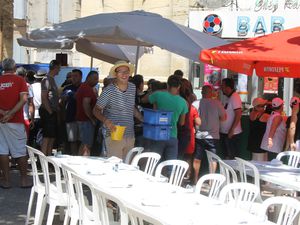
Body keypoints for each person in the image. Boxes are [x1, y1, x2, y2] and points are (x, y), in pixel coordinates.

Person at [93, 61, 143, 160]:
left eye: (126, 71)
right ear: (115, 74)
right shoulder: (109, 90)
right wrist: (106, 121)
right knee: (114, 167)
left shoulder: (132, 87)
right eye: (120, 71)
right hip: (114, 135)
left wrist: (142, 118)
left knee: (127, 168)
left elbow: (131, 106)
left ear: (130, 73)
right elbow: (96, 110)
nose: (124, 74)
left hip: (130, 134)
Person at [0, 58, 30, 188]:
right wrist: (11, 113)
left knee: (3, 151)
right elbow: (23, 99)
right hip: (16, 121)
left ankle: (6, 181)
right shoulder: (20, 80)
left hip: (1, 120)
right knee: (20, 150)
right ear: (14, 67)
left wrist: (3, 113)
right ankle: (23, 180)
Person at [148, 75, 188, 160]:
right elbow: (182, 123)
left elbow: (145, 100)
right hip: (173, 135)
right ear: (179, 87)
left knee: (153, 162)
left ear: (167, 85)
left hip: (158, 134)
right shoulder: (183, 102)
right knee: (171, 164)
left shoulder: (158, 95)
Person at [192, 85, 226, 184]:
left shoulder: (195, 103)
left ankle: (195, 179)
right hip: (213, 136)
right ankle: (211, 181)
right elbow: (224, 118)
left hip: (199, 135)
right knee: (213, 159)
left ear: (202, 92)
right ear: (211, 93)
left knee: (197, 158)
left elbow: (191, 118)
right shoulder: (217, 103)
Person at [40, 60, 61, 155]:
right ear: (55, 68)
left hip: (52, 111)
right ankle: (43, 160)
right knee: (47, 137)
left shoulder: (51, 79)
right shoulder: (46, 79)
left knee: (52, 137)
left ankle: (48, 158)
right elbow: (44, 97)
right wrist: (50, 112)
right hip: (48, 111)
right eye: (59, 68)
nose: (59, 70)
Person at [76, 71, 98, 156]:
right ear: (88, 78)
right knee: (86, 145)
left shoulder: (84, 87)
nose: (96, 81)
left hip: (83, 120)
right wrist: (92, 118)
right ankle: (83, 164)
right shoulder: (86, 88)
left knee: (84, 144)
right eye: (95, 78)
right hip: (86, 120)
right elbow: (86, 104)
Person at [219, 78, 242, 159]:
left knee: (232, 157)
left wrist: (232, 129)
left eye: (222, 86)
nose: (221, 88)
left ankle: (234, 172)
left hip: (232, 134)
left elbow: (238, 113)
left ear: (228, 87)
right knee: (227, 156)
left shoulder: (235, 97)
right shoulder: (227, 97)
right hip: (225, 132)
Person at [61, 69, 82, 155]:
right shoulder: (67, 88)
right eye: (72, 76)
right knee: (72, 141)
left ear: (81, 77)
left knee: (82, 142)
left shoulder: (85, 87)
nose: (73, 78)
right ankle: (74, 159)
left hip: (82, 119)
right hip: (70, 118)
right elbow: (61, 102)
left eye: (76, 76)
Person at [28, 69, 46, 148]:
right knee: (40, 138)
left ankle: (30, 155)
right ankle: (39, 157)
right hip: (42, 114)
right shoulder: (45, 87)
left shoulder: (31, 86)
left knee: (31, 137)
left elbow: (30, 103)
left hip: (32, 115)